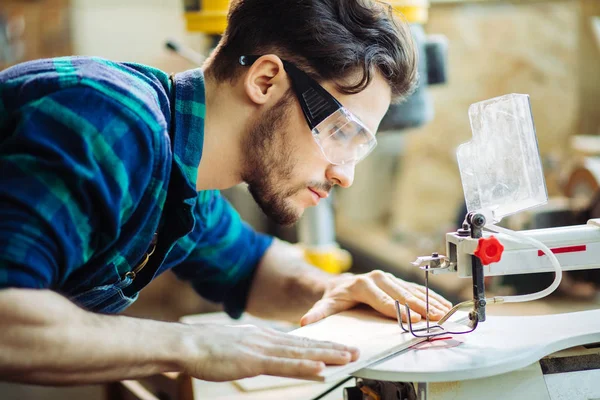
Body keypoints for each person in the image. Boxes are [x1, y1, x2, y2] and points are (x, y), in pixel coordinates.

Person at [0, 0, 451, 384]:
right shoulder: (113, 124)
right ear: (265, 80)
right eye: (340, 131)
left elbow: (250, 268)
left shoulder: (182, 171)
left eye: (360, 146)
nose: (344, 174)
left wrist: (336, 289)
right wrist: (191, 344)